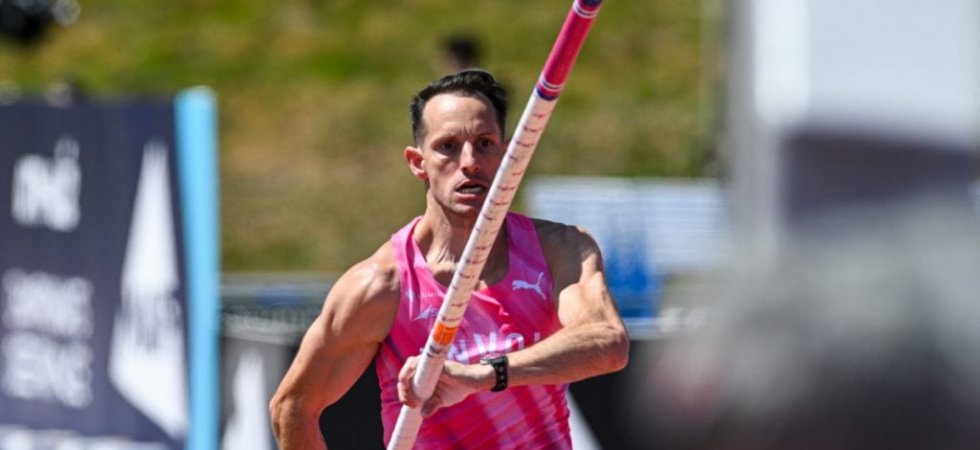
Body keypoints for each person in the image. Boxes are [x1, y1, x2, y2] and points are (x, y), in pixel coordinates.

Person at [269, 69, 630, 449]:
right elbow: (292, 406)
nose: (470, 161)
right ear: (417, 162)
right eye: (448, 147)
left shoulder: (560, 249)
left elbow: (607, 342)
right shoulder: (382, 285)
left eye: (485, 143)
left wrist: (484, 375)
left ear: (509, 157)